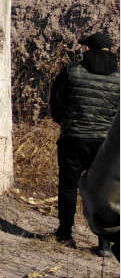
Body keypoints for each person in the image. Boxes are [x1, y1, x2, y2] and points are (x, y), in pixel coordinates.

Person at [49, 32, 119, 254]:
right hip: (105, 144)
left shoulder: (71, 70)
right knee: (103, 190)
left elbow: (55, 104)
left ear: (88, 48)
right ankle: (105, 243)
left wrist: (68, 124)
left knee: (68, 186)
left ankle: (64, 235)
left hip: (74, 140)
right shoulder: (119, 77)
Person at [79, 113, 120, 261]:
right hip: (102, 135)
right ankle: (104, 246)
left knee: (67, 186)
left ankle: (64, 233)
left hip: (76, 134)